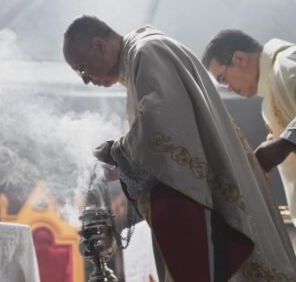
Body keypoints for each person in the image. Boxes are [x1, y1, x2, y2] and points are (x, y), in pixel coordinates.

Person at [63, 16, 296, 282]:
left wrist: (116, 152)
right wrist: (123, 159)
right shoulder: (142, 57)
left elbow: (161, 128)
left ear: (99, 45)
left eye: (82, 68)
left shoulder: (147, 52)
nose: (85, 80)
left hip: (215, 207)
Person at [202, 30, 296, 222]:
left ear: (239, 58)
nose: (227, 88)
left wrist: (284, 143)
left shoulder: (286, 63)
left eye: (222, 78)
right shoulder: (267, 102)